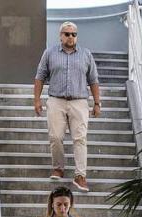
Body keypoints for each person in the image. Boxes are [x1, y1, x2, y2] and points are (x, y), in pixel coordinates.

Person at [34, 21, 101, 192]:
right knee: (55, 137)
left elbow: (93, 80)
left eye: (74, 34)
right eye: (67, 34)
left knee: (80, 138)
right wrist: (37, 100)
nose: (71, 37)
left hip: (79, 102)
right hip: (56, 100)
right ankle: (58, 168)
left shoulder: (86, 54)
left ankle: (80, 176)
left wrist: (97, 103)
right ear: (60, 36)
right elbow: (40, 76)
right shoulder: (49, 53)